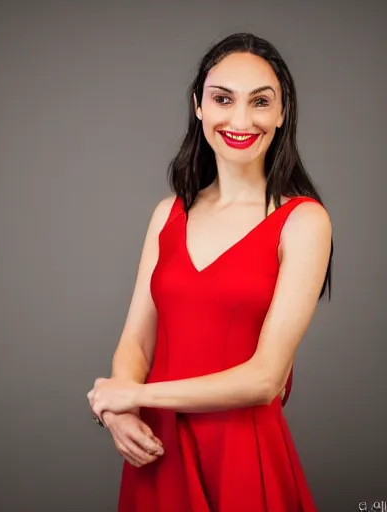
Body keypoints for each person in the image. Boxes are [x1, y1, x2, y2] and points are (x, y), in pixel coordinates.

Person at [87, 32, 333, 511]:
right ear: (199, 106)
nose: (240, 119)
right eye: (223, 99)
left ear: (282, 114)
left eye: (260, 102)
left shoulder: (304, 221)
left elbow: (266, 378)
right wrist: (121, 413)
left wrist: (131, 394)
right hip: (156, 450)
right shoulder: (167, 213)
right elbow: (136, 342)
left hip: (242, 450)